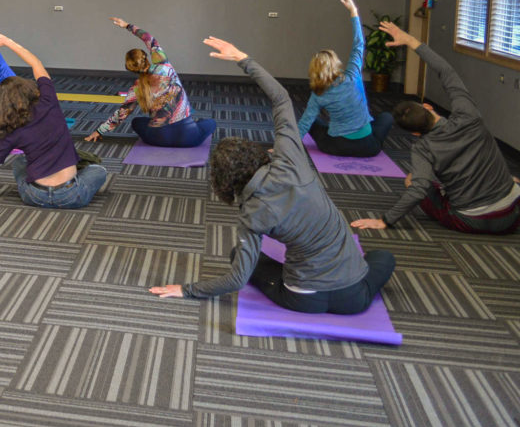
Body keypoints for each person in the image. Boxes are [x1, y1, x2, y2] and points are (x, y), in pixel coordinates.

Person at [150, 37, 395, 314]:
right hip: (354, 298)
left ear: (225, 181)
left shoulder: (250, 215)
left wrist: (186, 290)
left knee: (238, 256)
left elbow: (237, 279)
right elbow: (281, 99)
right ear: (256, 154)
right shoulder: (291, 159)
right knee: (383, 257)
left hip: (303, 299)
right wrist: (243, 58)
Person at [351, 22, 520, 235]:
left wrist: (385, 220)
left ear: (414, 133)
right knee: (509, 179)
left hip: (469, 221)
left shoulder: (423, 148)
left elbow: (418, 189)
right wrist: (410, 40)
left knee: (411, 179)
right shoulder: (468, 115)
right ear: (428, 107)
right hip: (511, 216)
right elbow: (445, 70)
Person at [0, 32, 108, 209]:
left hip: (34, 196)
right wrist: (8, 42)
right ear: (27, 89)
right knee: (98, 171)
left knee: (20, 161)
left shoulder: (10, 130)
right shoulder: (49, 102)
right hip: (71, 195)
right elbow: (36, 64)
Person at [85, 17, 215, 147]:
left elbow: (121, 114)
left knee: (137, 122)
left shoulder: (136, 88)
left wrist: (99, 131)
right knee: (210, 123)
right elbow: (148, 38)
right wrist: (127, 25)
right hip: (188, 138)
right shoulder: (164, 65)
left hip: (157, 138)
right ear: (145, 57)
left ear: (130, 68)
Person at [297, 0, 393, 157]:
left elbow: (305, 123)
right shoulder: (352, 76)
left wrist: (283, 149)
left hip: (335, 147)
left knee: (311, 121)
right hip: (368, 148)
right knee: (386, 117)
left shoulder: (318, 94)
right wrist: (353, 12)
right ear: (336, 64)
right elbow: (359, 44)